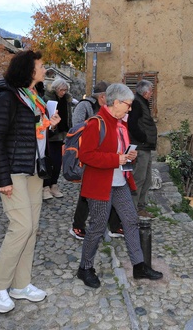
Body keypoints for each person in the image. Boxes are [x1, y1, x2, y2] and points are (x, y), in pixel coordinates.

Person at [0, 50, 60, 314]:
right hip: (14, 171)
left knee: (32, 228)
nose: (44, 69)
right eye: (40, 66)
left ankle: (21, 284)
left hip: (33, 170)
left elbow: (30, 133)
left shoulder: (33, 97)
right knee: (21, 227)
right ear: (28, 70)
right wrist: (2, 178)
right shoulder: (7, 97)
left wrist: (49, 124)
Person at [76, 83, 163, 288]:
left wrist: (128, 156)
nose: (130, 109)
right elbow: (86, 155)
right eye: (128, 105)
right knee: (97, 226)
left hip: (119, 182)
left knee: (131, 221)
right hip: (99, 185)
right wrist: (118, 159)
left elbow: (120, 154)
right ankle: (85, 268)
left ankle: (139, 266)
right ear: (115, 103)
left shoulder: (120, 124)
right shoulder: (95, 123)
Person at [70, 80, 121, 240]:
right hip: (89, 157)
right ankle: (77, 226)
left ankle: (113, 226)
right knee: (86, 193)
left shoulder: (107, 109)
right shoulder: (84, 106)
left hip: (105, 157)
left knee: (111, 188)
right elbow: (76, 128)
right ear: (103, 96)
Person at [127, 79, 158, 218]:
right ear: (145, 92)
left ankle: (141, 207)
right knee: (139, 179)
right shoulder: (137, 104)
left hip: (145, 147)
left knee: (147, 179)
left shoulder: (142, 103)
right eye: (151, 91)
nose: (151, 94)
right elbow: (132, 125)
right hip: (140, 147)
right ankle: (132, 210)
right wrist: (143, 138)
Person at [42, 78, 72, 200]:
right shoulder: (47, 99)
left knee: (58, 162)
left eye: (65, 90)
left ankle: (54, 184)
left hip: (62, 134)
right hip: (50, 135)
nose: (63, 92)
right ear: (56, 89)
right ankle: (45, 187)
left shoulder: (66, 100)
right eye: (61, 90)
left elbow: (68, 116)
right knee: (49, 162)